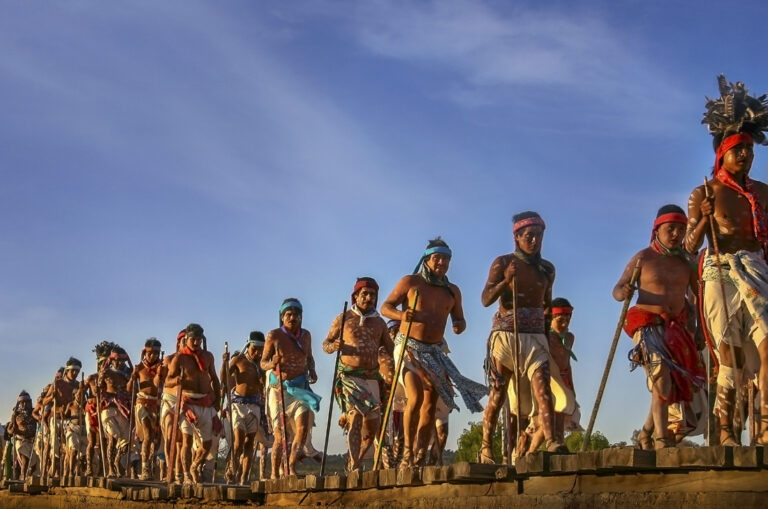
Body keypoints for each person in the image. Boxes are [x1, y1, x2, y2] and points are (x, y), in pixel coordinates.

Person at [686, 76, 768, 445]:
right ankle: (726, 431)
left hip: (758, 272)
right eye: (740, 150)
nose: (747, 156)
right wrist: (703, 216)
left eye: (750, 150)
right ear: (723, 154)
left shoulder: (764, 193)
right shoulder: (705, 192)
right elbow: (689, 245)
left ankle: (764, 429)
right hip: (719, 270)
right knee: (730, 358)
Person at [382, 238, 486, 467]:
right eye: (437, 258)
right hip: (408, 346)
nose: (442, 263)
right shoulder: (411, 282)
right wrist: (401, 316)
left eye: (446, 259)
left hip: (434, 351)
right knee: (416, 396)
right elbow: (385, 307)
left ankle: (420, 452)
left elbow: (460, 319)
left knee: (430, 401)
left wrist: (460, 326)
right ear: (427, 259)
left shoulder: (452, 291)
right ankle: (407, 452)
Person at [480, 212, 570, 463]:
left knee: (543, 389)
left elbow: (547, 305)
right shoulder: (503, 263)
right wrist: (505, 282)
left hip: (535, 337)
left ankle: (552, 440)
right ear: (517, 237)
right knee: (498, 393)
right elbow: (486, 299)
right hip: (507, 336)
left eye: (539, 236)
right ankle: (486, 445)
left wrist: (547, 334)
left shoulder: (547, 269)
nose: (534, 240)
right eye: (529, 236)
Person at [615, 206, 706, 449]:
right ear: (657, 230)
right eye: (670, 229)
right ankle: (661, 439)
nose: (676, 234)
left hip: (677, 329)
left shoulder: (687, 264)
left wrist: (698, 329)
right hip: (646, 325)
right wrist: (623, 291)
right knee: (661, 381)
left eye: (681, 229)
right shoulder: (643, 258)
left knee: (668, 385)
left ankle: (646, 432)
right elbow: (618, 288)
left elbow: (698, 298)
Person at [323, 277, 393, 471]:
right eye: (365, 294)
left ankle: (359, 458)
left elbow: (391, 348)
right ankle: (355, 465)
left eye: (373, 295)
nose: (369, 298)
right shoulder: (343, 318)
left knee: (373, 427)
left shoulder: (379, 323)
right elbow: (325, 344)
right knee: (355, 419)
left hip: (372, 378)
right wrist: (333, 346)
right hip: (350, 378)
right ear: (356, 296)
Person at [261, 298, 321, 477]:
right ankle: (274, 473)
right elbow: (262, 363)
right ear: (282, 317)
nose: (293, 318)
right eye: (289, 314)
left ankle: (290, 465)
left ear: (301, 317)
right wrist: (272, 363)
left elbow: (309, 357)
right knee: (280, 436)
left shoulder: (306, 335)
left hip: (300, 388)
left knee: (302, 430)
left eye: (296, 314)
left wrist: (312, 369)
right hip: (279, 388)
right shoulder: (274, 336)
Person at [166, 323, 221, 485]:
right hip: (186, 403)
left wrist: (217, 400)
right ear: (187, 339)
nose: (196, 343)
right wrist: (177, 380)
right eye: (193, 340)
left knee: (207, 443)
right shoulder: (179, 358)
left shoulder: (208, 356)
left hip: (205, 402)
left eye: (199, 340)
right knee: (186, 441)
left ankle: (195, 466)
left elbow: (215, 379)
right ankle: (187, 474)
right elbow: (168, 381)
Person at [227, 331, 269, 484]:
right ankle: (232, 469)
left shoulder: (262, 365)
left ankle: (244, 477)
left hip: (255, 405)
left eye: (260, 350)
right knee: (238, 442)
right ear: (248, 345)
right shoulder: (239, 360)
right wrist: (226, 364)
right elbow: (224, 378)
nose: (257, 353)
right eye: (254, 349)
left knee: (249, 442)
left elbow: (265, 384)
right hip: (238, 404)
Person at [128, 338, 163, 479]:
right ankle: (145, 468)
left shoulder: (162, 366)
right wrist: (132, 377)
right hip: (142, 403)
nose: (153, 356)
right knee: (148, 435)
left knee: (156, 439)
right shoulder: (139, 368)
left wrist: (161, 374)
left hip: (157, 404)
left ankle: (152, 466)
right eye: (150, 353)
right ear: (145, 351)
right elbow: (130, 389)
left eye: (156, 353)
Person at [43, 359, 82, 478]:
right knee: (54, 446)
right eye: (73, 371)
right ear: (67, 370)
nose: (75, 373)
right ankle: (51, 470)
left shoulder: (78, 385)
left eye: (77, 371)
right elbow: (45, 402)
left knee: (71, 445)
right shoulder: (57, 383)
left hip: (70, 420)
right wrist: (52, 397)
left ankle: (67, 473)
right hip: (57, 418)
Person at [98, 346, 132, 477]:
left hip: (123, 409)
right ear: (111, 360)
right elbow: (99, 390)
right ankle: (111, 468)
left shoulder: (129, 373)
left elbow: (132, 389)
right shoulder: (105, 372)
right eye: (115, 360)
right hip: (109, 408)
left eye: (121, 361)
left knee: (127, 441)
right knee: (112, 438)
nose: (118, 363)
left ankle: (117, 461)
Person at [7, 391, 37, 480]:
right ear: (19, 403)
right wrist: (12, 430)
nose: (24, 404)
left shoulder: (34, 412)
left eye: (26, 402)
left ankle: (29, 477)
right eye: (22, 402)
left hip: (33, 441)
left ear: (30, 402)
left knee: (34, 463)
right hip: (21, 441)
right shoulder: (16, 415)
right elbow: (9, 429)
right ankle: (23, 476)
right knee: (25, 458)